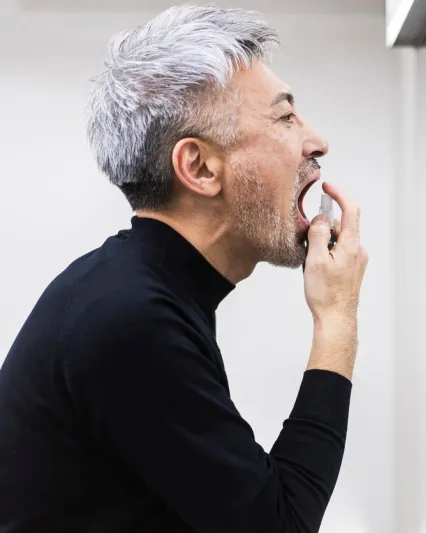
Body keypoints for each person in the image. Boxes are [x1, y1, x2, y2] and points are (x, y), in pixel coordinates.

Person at [0, 5, 368, 533]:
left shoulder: (131, 292)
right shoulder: (130, 319)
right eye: (285, 117)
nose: (316, 141)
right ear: (198, 167)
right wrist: (337, 320)